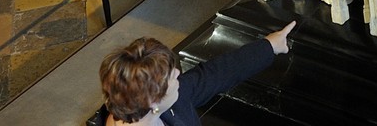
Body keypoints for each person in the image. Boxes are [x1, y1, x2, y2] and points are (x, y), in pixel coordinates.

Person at [95, 23, 294, 125]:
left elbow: (212, 75)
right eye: (171, 77)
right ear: (153, 101)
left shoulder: (147, 101)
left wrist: (269, 46)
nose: (177, 73)